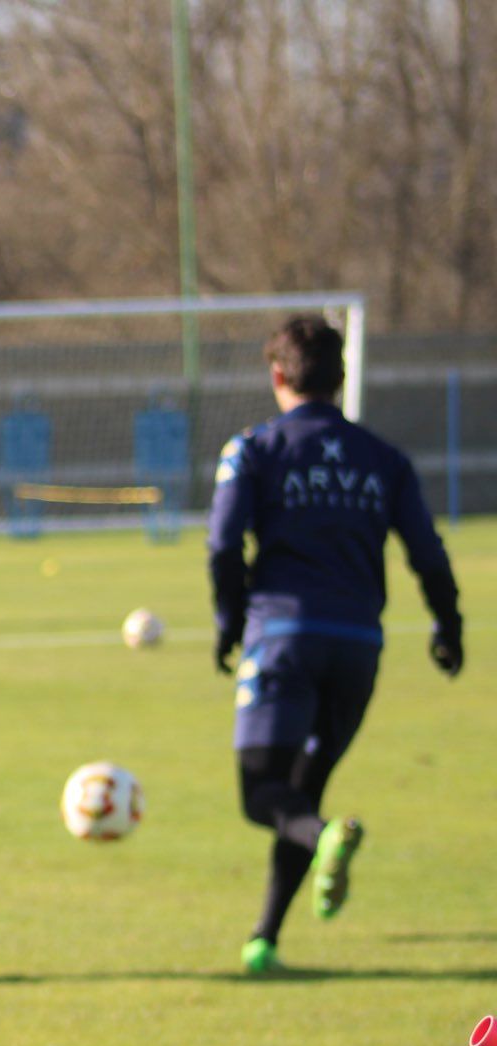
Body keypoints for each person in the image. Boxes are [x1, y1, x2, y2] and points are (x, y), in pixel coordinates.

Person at [208, 313, 463, 975]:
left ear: (276, 375)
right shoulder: (385, 458)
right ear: (342, 377)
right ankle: (265, 939)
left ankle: (324, 841)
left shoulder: (255, 449)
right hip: (359, 647)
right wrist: (448, 624)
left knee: (264, 795)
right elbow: (427, 554)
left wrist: (228, 621)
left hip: (285, 639)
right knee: (303, 791)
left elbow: (221, 543)